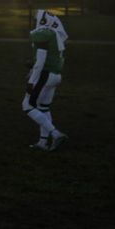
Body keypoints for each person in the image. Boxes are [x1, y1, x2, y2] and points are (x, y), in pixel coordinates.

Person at [23, 9, 69, 151]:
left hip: (45, 75)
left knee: (27, 106)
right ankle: (43, 142)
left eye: (38, 19)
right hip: (56, 76)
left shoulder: (44, 35)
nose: (36, 22)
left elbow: (41, 61)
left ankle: (56, 134)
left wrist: (31, 80)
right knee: (43, 108)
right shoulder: (55, 34)